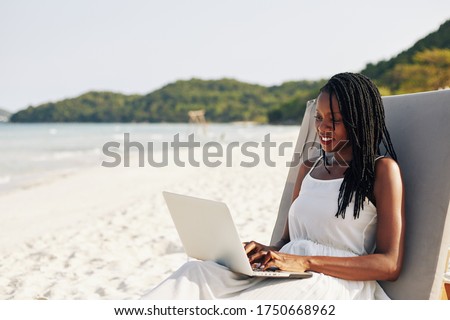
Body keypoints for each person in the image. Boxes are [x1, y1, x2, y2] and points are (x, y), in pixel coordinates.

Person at [141, 72, 405, 299]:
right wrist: (265, 252)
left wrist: (305, 262)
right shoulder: (309, 167)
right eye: (318, 117)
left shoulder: (381, 171)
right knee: (195, 273)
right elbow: (287, 241)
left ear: (359, 120)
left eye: (333, 120)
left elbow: (389, 264)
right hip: (287, 270)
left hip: (333, 281)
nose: (322, 127)